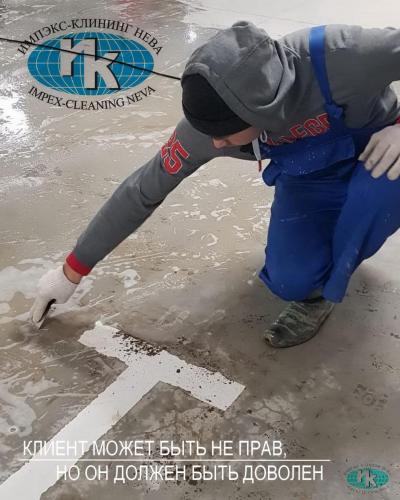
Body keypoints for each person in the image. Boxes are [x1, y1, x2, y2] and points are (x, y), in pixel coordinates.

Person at [30, 21, 400, 347]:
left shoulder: (341, 55)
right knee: (291, 281)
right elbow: (141, 191)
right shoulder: (206, 132)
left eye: (225, 135)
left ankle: (342, 263)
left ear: (260, 112)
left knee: (372, 201)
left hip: (384, 156)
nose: (217, 145)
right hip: (311, 174)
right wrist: (71, 271)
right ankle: (316, 291)